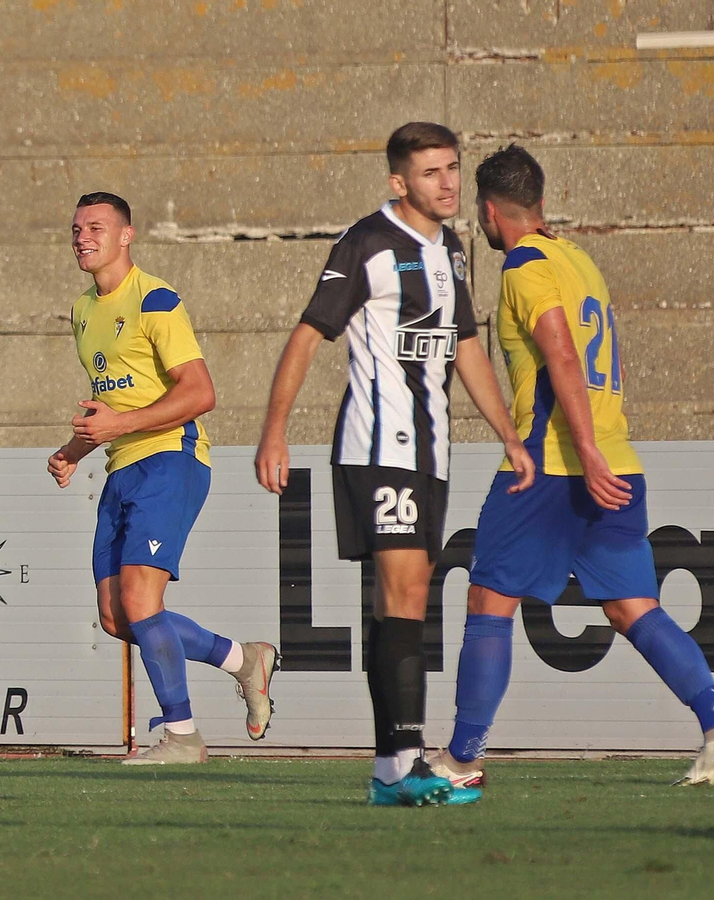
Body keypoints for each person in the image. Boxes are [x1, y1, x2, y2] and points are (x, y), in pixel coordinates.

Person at [430, 144, 714, 790]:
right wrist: (604, 448)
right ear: (540, 202)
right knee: (633, 607)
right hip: (615, 460)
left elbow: (562, 358)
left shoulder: (524, 266)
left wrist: (585, 452)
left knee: (488, 599)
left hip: (552, 466)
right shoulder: (581, 263)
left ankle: (462, 760)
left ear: (491, 212)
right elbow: (601, 362)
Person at [253, 123, 534, 806]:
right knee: (407, 593)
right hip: (380, 445)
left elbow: (465, 344)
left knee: (401, 601)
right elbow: (306, 335)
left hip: (430, 450)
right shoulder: (367, 244)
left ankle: (391, 770)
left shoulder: (454, 250)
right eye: (431, 171)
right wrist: (274, 431)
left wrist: (507, 433)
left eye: (452, 169)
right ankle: (403, 766)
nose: (446, 183)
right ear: (398, 181)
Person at [49, 191, 279, 765]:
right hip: (121, 466)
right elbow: (111, 407)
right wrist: (74, 450)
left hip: (171, 458)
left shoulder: (155, 299)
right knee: (115, 616)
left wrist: (117, 425)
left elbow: (201, 393)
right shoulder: (82, 310)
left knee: (139, 598)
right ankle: (241, 659)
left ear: (126, 235)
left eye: (96, 228)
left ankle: (182, 737)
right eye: (77, 229)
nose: (83, 237)